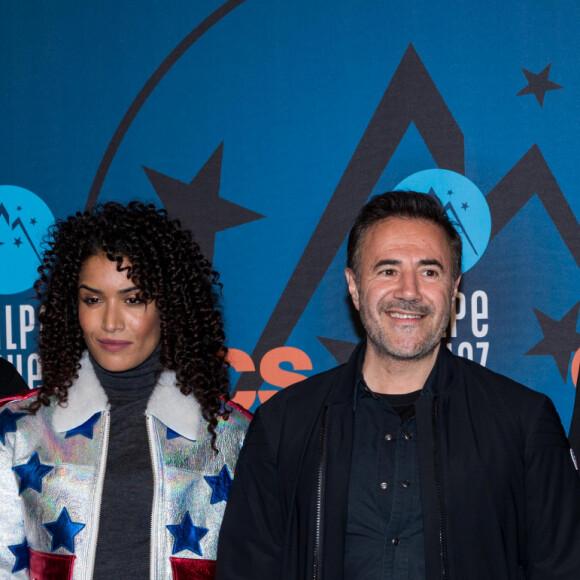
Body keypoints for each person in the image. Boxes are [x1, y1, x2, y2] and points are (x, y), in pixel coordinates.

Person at [216, 191, 580, 580]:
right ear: (354, 287)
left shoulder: (523, 422)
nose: (409, 291)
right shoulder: (283, 425)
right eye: (388, 270)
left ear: (454, 287)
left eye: (429, 272)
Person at [0, 201, 250, 580]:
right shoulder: (18, 430)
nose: (110, 322)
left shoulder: (233, 435)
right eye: (93, 299)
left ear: (169, 306)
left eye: (133, 299)